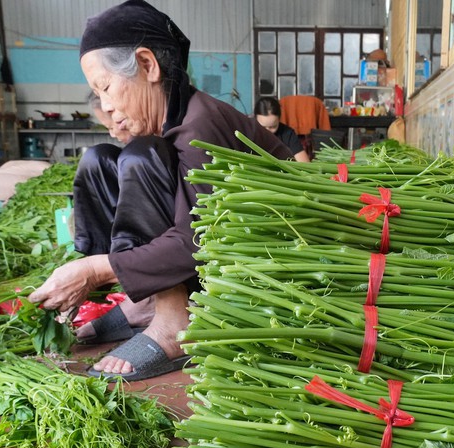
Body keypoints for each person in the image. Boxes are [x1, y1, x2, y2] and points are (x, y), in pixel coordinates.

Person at [28, 0, 292, 381]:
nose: (105, 105)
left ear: (148, 65)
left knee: (138, 156)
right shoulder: (174, 118)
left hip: (261, 255)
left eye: (105, 87)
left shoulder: (201, 124)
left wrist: (94, 270)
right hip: (211, 254)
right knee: (101, 160)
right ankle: (147, 303)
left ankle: (173, 323)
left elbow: (201, 240)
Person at [254, 96, 311, 162]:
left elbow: (304, 163)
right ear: (255, 120)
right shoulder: (250, 132)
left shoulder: (287, 133)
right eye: (263, 127)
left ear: (279, 119)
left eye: (273, 127)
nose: (267, 131)